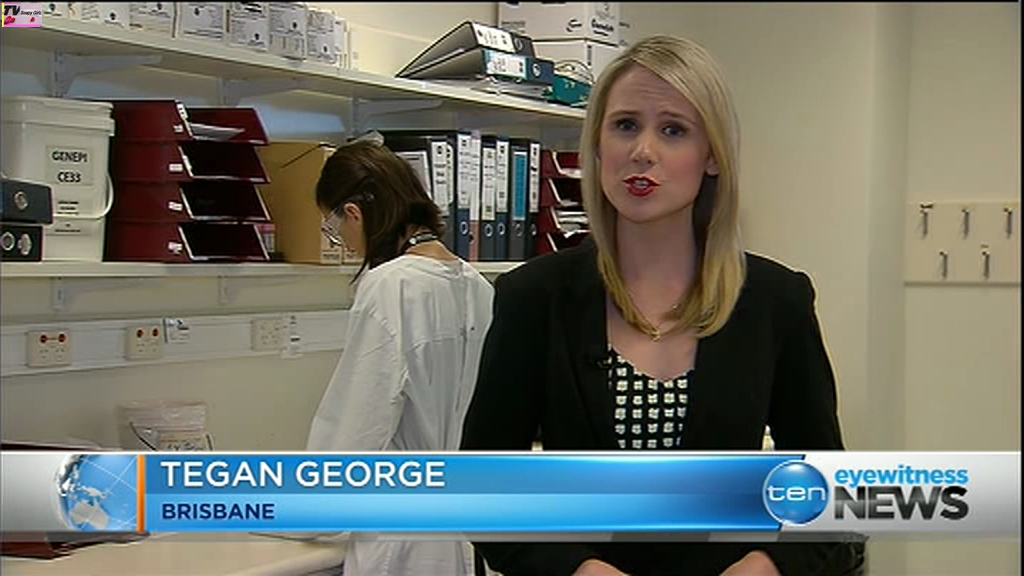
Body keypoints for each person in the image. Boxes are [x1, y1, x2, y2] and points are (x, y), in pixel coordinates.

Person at [460, 35, 865, 576]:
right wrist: (581, 571)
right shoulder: (534, 298)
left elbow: (830, 493)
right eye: (625, 125)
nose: (643, 151)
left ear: (712, 156)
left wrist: (765, 565)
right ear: (597, 145)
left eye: (673, 130)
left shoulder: (774, 301)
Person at [306, 136, 495, 576]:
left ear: (354, 213)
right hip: (465, 527)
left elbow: (356, 426)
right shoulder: (478, 286)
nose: (345, 242)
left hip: (403, 534)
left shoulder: (391, 287)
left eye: (335, 227)